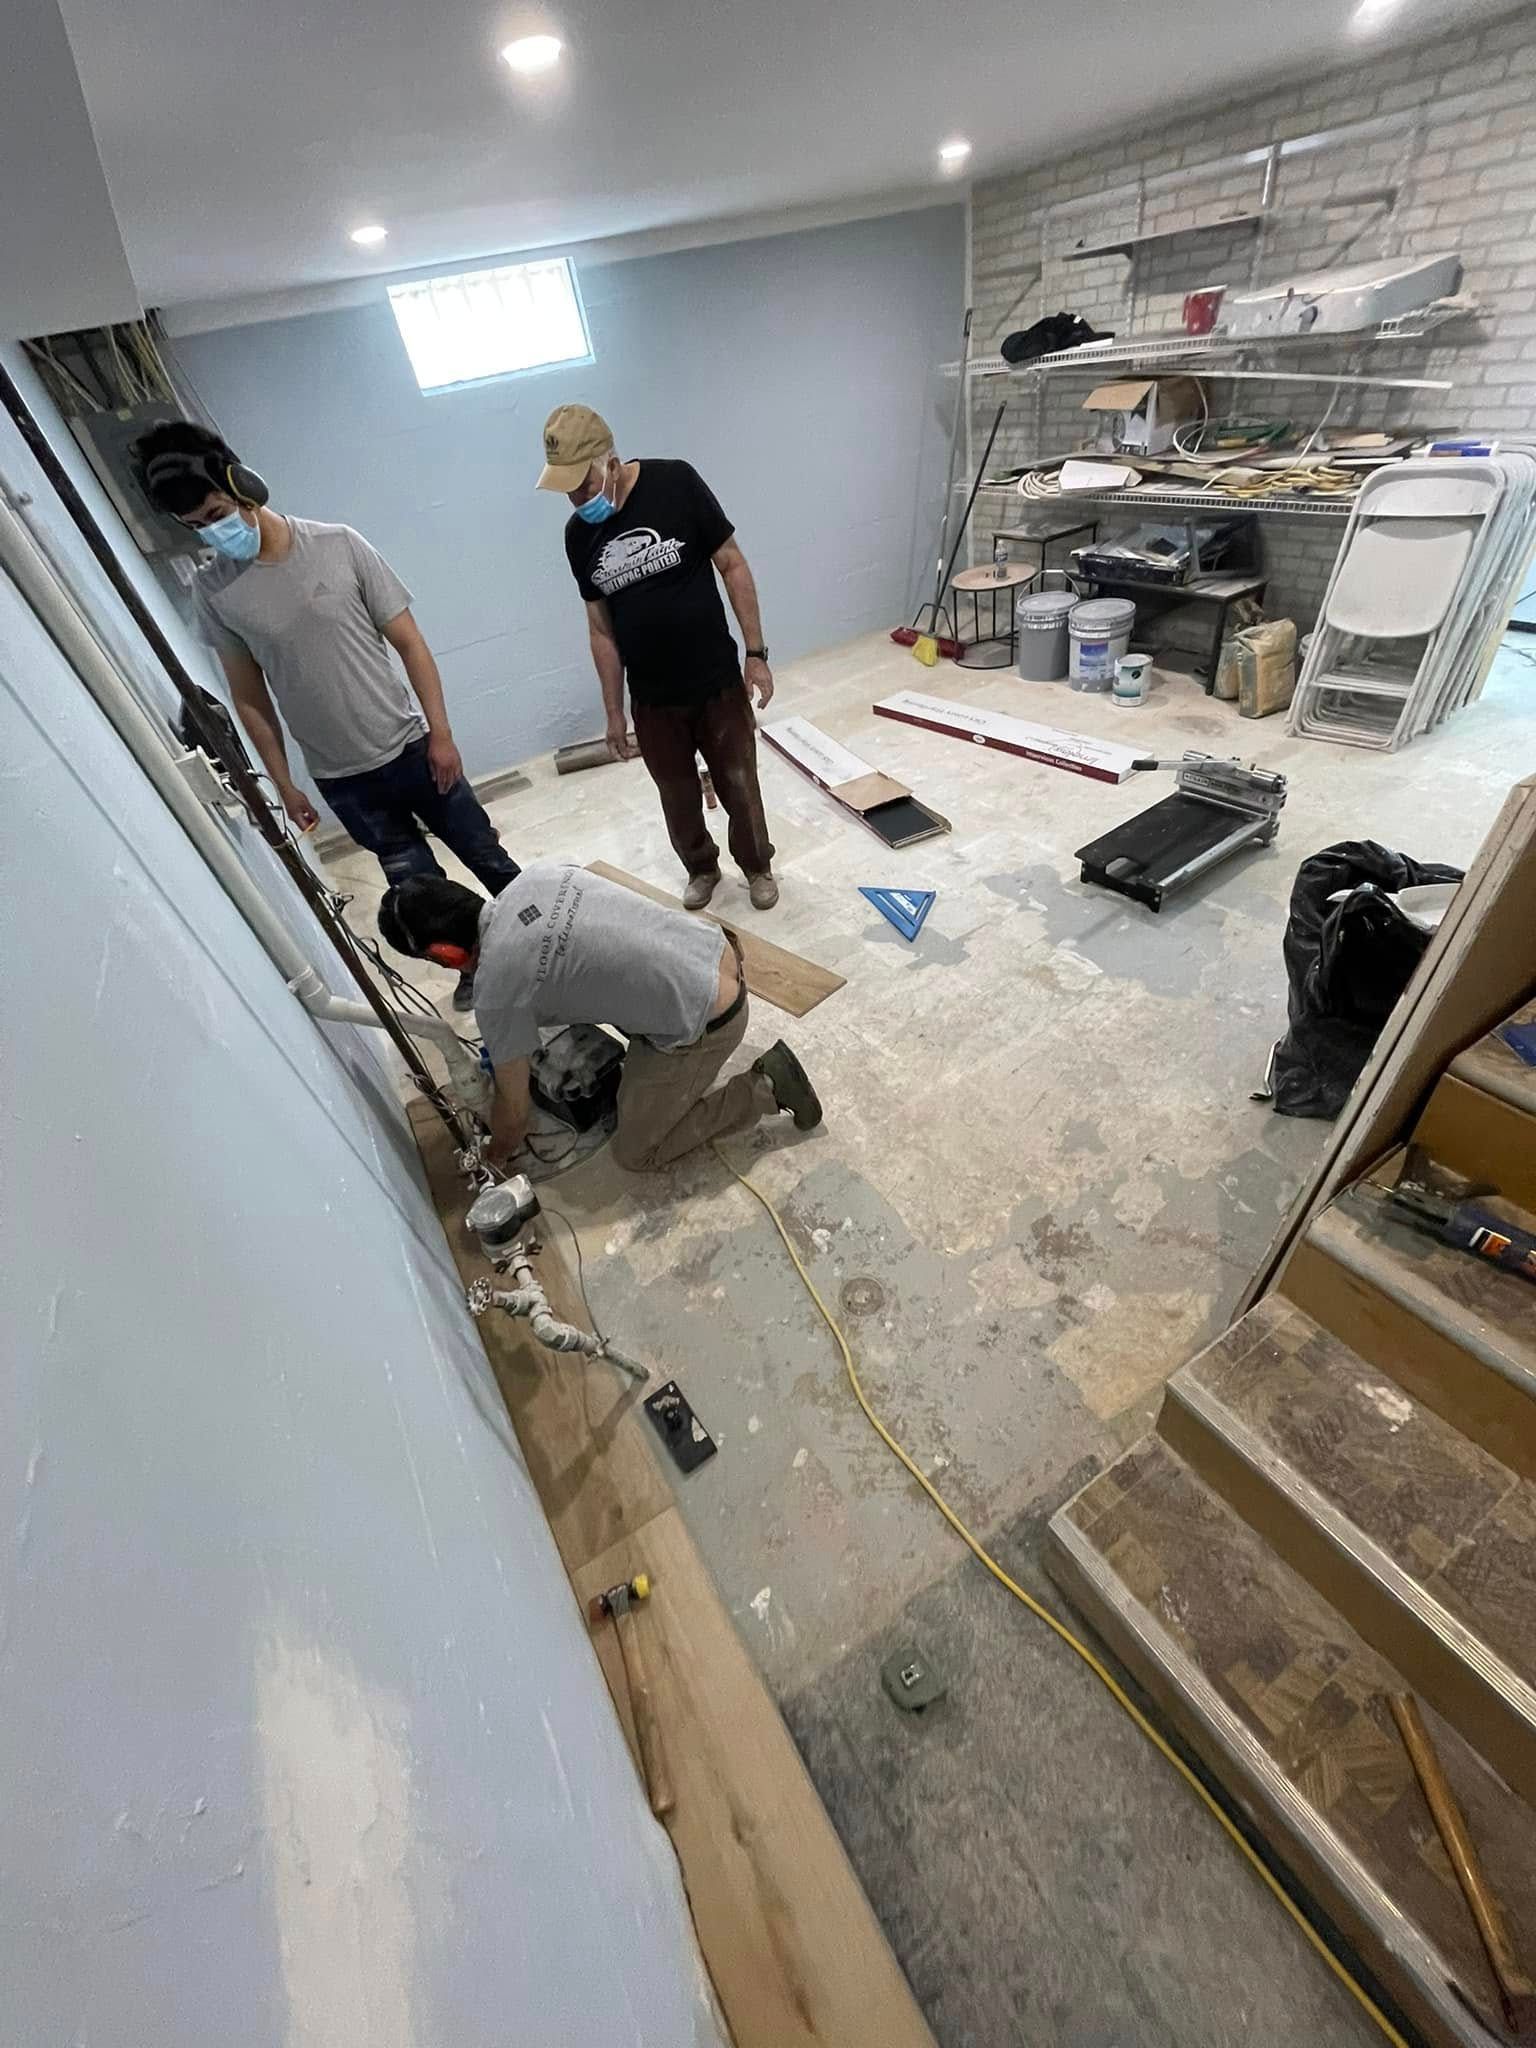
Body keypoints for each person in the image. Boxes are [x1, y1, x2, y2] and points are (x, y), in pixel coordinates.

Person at [132, 421, 519, 1008]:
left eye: (215, 513)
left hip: (412, 750)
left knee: (486, 854)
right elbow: (249, 697)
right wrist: (283, 783)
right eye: (196, 526)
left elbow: (410, 643)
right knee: (418, 895)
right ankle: (478, 967)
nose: (213, 532)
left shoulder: (338, 545)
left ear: (242, 486)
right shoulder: (214, 592)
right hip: (345, 782)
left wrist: (441, 734)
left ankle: (546, 937)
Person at [377, 865, 822, 1171]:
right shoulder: (535, 877)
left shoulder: (496, 991)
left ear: (445, 954)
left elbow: (514, 1115)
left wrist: (494, 1157)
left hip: (712, 1018)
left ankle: (766, 1087)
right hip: (715, 949)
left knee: (636, 1153)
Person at [537, 404, 779, 913]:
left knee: (739, 784)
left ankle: (757, 865)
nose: (577, 500)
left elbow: (732, 564)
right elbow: (601, 629)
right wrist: (613, 712)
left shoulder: (676, 482)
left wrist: (755, 653)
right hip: (652, 697)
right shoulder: (579, 536)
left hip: (715, 681)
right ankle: (702, 867)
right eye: (567, 492)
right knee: (676, 795)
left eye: (583, 485)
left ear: (610, 462)